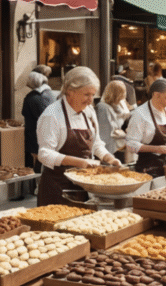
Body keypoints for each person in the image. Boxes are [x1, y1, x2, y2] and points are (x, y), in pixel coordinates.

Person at [36, 67, 120, 206]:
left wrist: (109, 158)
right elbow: (44, 154)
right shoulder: (52, 115)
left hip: (83, 187)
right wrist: (80, 162)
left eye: (93, 94)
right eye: (86, 94)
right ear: (70, 91)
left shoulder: (89, 112)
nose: (90, 100)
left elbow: (96, 144)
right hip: (57, 188)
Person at [126, 78, 166, 177]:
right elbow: (130, 144)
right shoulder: (140, 114)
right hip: (148, 169)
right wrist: (156, 149)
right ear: (156, 95)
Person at [22, 69, 52, 171]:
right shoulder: (51, 94)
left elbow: (26, 114)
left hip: (35, 137)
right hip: (51, 136)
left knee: (37, 166)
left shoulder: (32, 98)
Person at [96, 80, 130, 159]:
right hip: (107, 147)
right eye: (123, 91)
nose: (125, 94)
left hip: (119, 145)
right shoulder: (103, 108)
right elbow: (107, 133)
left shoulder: (121, 104)